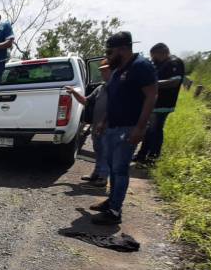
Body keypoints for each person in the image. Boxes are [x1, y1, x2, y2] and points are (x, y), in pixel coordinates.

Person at [91, 31, 158, 225]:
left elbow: (151, 96)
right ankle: (112, 201)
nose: (108, 56)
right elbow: (114, 100)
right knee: (113, 167)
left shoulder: (141, 66)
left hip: (128, 127)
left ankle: (114, 211)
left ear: (123, 49)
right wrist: (104, 121)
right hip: (113, 126)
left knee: (120, 169)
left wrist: (140, 127)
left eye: (110, 52)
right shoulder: (119, 69)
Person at [134, 42, 185, 164]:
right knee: (149, 130)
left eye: (154, 56)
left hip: (163, 104)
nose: (153, 59)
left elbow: (174, 82)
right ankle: (142, 155)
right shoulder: (162, 63)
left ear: (162, 53)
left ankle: (153, 157)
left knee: (155, 130)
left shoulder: (174, 62)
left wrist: (152, 84)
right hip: (155, 103)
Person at [66, 59, 112, 188]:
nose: (103, 73)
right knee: (98, 150)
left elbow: (113, 107)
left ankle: (103, 177)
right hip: (97, 126)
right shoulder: (100, 88)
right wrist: (74, 92)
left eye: (105, 70)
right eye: (101, 70)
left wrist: (103, 122)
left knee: (106, 152)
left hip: (108, 126)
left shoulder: (116, 88)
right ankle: (96, 174)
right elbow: (86, 101)